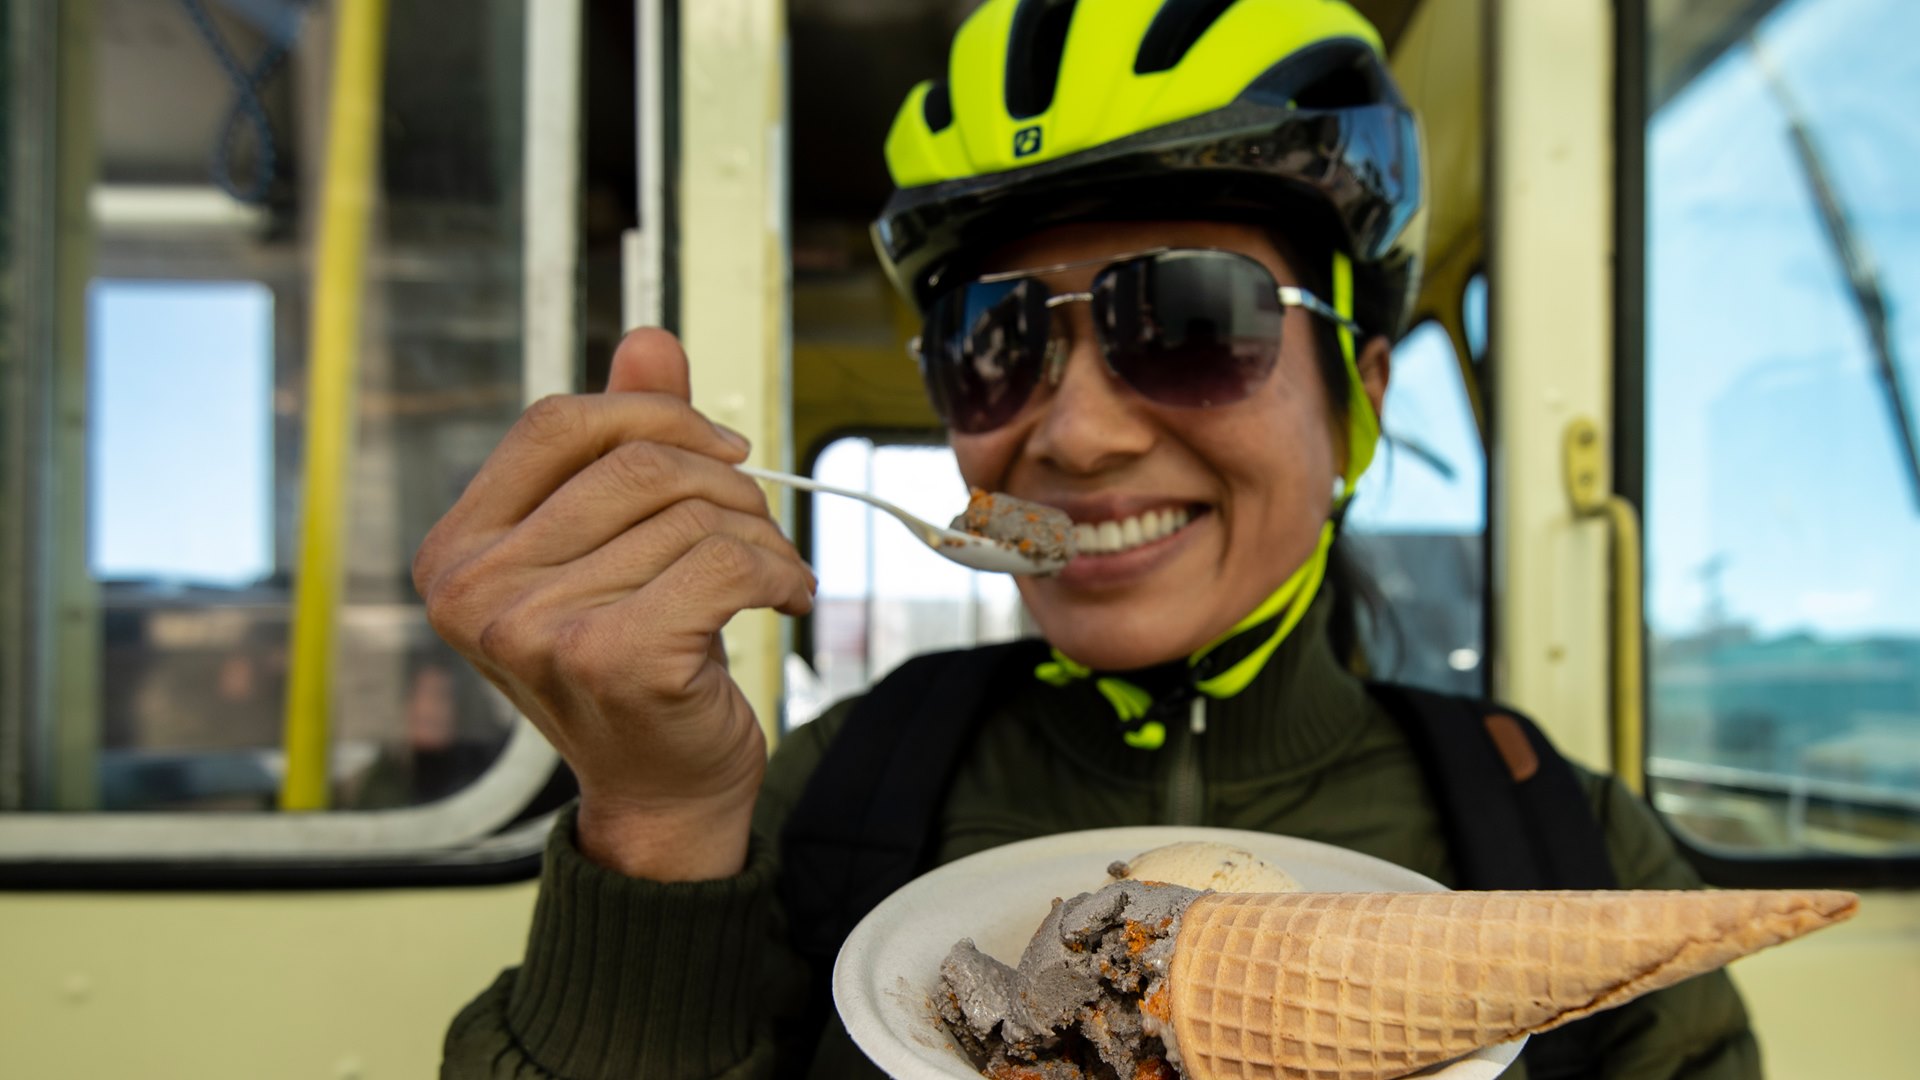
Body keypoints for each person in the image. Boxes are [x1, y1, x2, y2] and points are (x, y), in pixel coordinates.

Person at [424, 2, 1758, 1077]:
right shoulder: (818, 803)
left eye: (1191, 321)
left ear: (1360, 400)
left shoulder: (1566, 847)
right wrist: (656, 821)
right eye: (992, 342)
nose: (1076, 434)